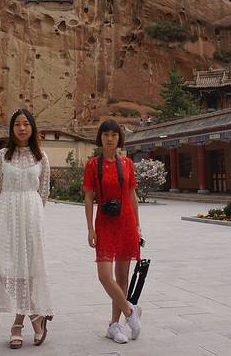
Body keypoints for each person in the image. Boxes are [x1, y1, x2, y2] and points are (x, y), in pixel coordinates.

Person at [0, 109, 53, 349]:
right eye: (17, 124)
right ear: (12, 128)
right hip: (8, 214)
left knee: (31, 268)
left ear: (32, 128)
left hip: (32, 214)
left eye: (26, 124)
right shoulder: (1, 156)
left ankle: (18, 324)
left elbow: (44, 192)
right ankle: (36, 315)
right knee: (7, 268)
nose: (22, 128)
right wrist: (8, 210)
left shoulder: (41, 157)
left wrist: (31, 210)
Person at [83, 119, 142, 344]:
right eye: (106, 134)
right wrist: (90, 228)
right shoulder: (92, 165)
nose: (110, 138)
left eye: (114, 134)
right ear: (100, 137)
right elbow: (88, 197)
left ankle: (115, 325)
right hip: (104, 224)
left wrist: (137, 226)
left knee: (122, 277)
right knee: (105, 276)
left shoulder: (127, 164)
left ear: (119, 138)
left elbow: (132, 196)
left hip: (126, 222)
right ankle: (130, 311)